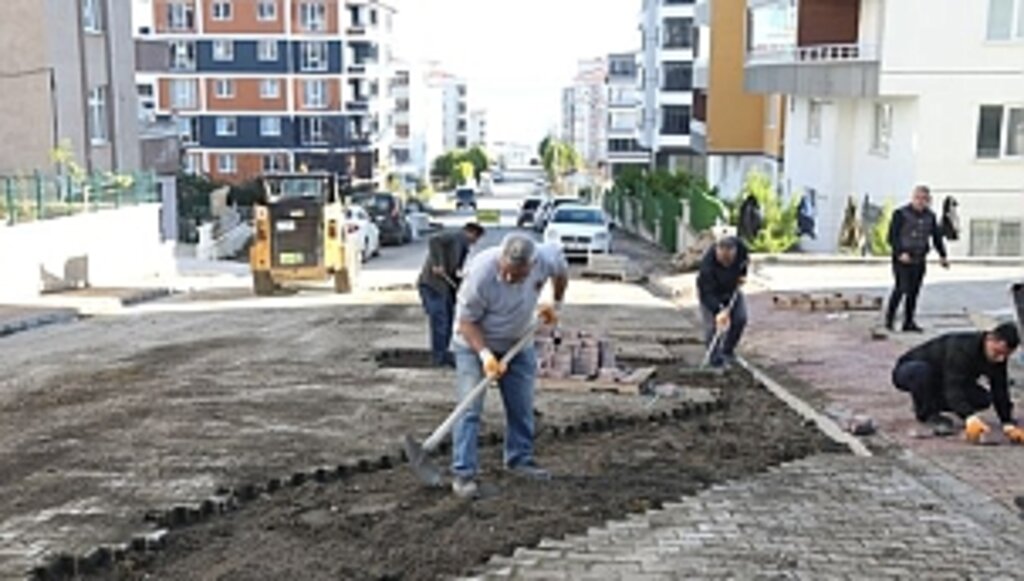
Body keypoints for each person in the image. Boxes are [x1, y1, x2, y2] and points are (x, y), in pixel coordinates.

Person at [449, 234, 569, 498]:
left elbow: (561, 271)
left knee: (521, 406)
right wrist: (485, 356)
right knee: (469, 409)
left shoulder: (546, 258)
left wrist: (556, 303)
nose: (508, 278)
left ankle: (519, 459)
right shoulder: (480, 273)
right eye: (505, 271)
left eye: (517, 275)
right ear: (500, 258)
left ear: (532, 266)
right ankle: (463, 472)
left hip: (518, 342)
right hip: (474, 344)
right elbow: (466, 323)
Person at [892, 322, 1023, 443]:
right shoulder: (962, 349)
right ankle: (926, 413)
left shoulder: (998, 357)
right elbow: (953, 386)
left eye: (1005, 355)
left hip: (944, 379)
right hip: (910, 370)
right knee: (922, 372)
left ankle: (933, 401)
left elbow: (1000, 388)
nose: (1000, 359)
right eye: (997, 353)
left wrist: (1007, 422)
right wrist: (969, 417)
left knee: (982, 399)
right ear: (990, 339)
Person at [417, 223, 485, 367]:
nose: (475, 242)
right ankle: (438, 357)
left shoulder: (464, 247)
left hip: (445, 288)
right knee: (440, 321)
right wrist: (438, 264)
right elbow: (434, 240)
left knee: (448, 321)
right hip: (433, 285)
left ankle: (443, 353)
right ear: (470, 232)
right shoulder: (455, 237)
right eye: (476, 238)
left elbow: (455, 270)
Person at [885, 186, 949, 333]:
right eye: (917, 198)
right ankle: (889, 319)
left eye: (924, 199)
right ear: (913, 198)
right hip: (902, 258)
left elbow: (936, 237)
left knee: (914, 291)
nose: (920, 202)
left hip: (919, 258)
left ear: (928, 201)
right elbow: (892, 237)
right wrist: (900, 252)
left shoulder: (930, 216)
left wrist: (943, 256)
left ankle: (908, 322)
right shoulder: (900, 214)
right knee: (901, 287)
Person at [696, 236, 749, 369]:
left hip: (731, 290)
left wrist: (743, 275)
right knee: (713, 327)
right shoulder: (707, 268)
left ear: (734, 251)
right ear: (717, 252)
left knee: (740, 318)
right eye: (723, 261)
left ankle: (727, 351)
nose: (727, 264)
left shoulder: (741, 248)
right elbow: (706, 294)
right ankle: (714, 360)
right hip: (712, 294)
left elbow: (745, 261)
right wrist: (719, 310)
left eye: (729, 260)